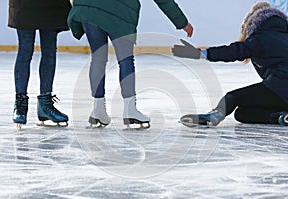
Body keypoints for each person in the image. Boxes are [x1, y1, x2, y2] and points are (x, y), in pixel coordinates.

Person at [67, 0, 193, 128]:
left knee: (98, 58)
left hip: (88, 9)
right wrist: (182, 22)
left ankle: (98, 109)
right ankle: (129, 110)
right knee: (125, 60)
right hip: (119, 11)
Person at [172, 2, 288, 126]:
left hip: (282, 86)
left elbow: (234, 51)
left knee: (233, 97)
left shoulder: (260, 38)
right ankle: (285, 117)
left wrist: (199, 53)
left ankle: (215, 115)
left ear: (252, 23)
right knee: (242, 114)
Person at [8, 0, 72, 128]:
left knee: (49, 52)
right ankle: (20, 104)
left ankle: (45, 103)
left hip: (52, 6)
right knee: (25, 50)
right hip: (24, 5)